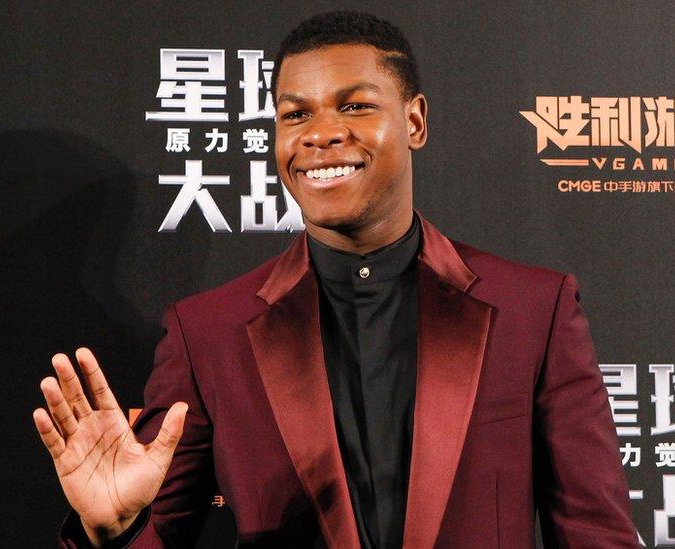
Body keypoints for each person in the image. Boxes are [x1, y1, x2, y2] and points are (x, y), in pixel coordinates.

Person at [33, 10, 638, 548]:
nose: (320, 133)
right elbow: (158, 532)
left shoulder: (534, 308)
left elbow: (596, 533)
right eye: (295, 114)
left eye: (355, 105)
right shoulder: (208, 331)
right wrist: (112, 531)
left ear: (416, 121)